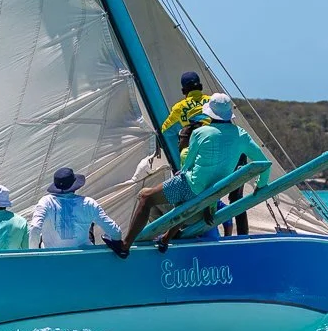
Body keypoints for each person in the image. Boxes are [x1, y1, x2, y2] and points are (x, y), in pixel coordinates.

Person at [116, 93, 270, 257]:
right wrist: (260, 185)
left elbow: (187, 166)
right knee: (184, 196)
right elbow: (265, 163)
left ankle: (124, 246)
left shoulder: (200, 133)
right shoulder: (242, 135)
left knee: (146, 197)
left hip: (191, 189)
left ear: (210, 113)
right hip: (211, 199)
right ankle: (165, 240)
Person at [29, 167, 124, 251]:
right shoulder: (88, 203)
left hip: (52, 258)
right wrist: (114, 241)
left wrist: (33, 253)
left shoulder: (45, 202)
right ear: (75, 185)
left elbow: (35, 228)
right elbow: (115, 232)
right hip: (82, 258)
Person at [162, 71, 210, 161]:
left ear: (183, 90)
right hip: (221, 144)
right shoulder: (212, 100)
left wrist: (182, 124)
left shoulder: (179, 107)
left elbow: (165, 130)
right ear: (200, 86)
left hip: (199, 154)